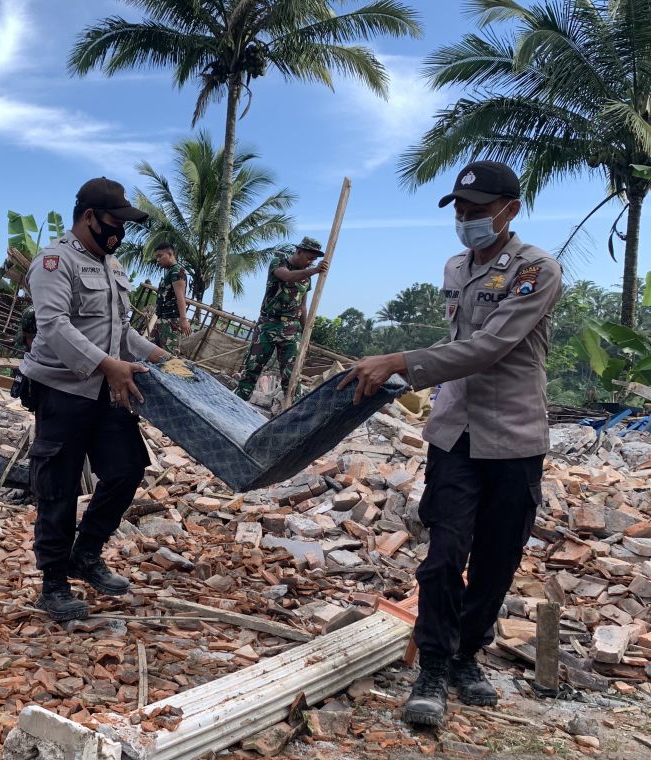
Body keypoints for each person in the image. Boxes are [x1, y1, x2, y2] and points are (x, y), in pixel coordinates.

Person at [339, 161, 563, 728]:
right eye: (458, 208)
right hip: (455, 432)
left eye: (476, 209)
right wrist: (402, 373)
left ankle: (468, 656)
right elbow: (458, 341)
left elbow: (491, 347)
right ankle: (433, 667)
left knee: (496, 558)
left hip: (513, 436)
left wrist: (404, 362)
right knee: (443, 555)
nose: (464, 218)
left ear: (509, 210)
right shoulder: (456, 266)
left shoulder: (537, 269)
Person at [22, 177, 168, 622]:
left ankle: (85, 554)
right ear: (89, 217)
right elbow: (53, 326)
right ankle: (53, 582)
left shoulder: (114, 266)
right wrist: (108, 364)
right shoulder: (54, 262)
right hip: (62, 389)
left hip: (108, 389)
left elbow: (122, 331)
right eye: (115, 221)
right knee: (59, 485)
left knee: (127, 469)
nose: (119, 231)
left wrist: (157, 355)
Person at [235, 237, 329, 402]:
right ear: (298, 251)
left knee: (291, 376)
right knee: (252, 369)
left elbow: (303, 306)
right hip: (268, 324)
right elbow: (287, 276)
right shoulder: (278, 263)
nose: (310, 263)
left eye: (313, 260)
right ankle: (237, 404)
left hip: (291, 329)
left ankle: (293, 412)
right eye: (309, 258)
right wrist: (314, 270)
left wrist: (306, 331)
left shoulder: (307, 278)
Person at [150, 242, 191, 352]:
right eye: (156, 257)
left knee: (169, 356)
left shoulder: (177, 272)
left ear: (170, 254)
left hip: (171, 321)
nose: (158, 260)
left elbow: (180, 297)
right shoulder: (170, 272)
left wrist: (183, 319)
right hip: (162, 318)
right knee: (153, 352)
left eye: (160, 256)